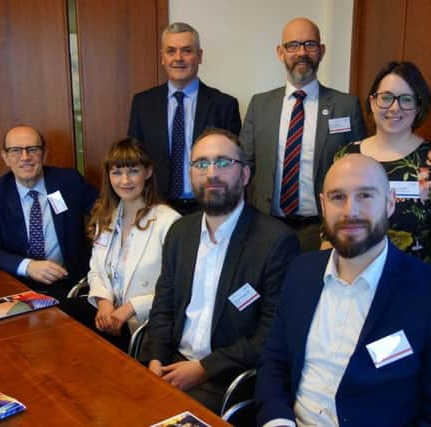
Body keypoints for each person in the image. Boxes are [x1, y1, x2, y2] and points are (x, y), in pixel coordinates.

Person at [256, 154, 431, 427]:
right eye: (338, 197)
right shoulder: (301, 271)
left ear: (390, 202)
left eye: (365, 196)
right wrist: (278, 422)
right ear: (323, 206)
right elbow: (274, 362)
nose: (351, 211)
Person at [140, 128, 300, 413]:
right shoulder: (179, 232)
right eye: (201, 163)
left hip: (224, 379)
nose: (211, 173)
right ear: (191, 174)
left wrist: (203, 369)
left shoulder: (276, 241)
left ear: (245, 175)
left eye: (224, 163)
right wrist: (154, 360)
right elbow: (162, 307)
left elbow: (270, 335)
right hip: (169, 365)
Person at [241, 17, 366, 252]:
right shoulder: (259, 105)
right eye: (293, 45)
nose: (302, 52)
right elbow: (243, 167)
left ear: (322, 51)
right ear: (280, 52)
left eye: (310, 44)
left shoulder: (345, 106)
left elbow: (358, 170)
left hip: (322, 229)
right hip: (267, 226)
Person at [335, 61, 431, 276]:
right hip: (352, 280)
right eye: (386, 98)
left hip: (412, 285)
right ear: (373, 102)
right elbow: (331, 224)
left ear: (419, 106)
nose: (395, 108)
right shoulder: (347, 156)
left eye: (406, 99)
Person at [0, 126, 98, 301]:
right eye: (15, 151)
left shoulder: (69, 181)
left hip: (72, 287)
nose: (25, 157)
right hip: (20, 289)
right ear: (5, 157)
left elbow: (105, 212)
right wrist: (27, 266)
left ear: (43, 154)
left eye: (32, 149)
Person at [128, 22, 241, 215]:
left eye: (186, 51)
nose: (178, 58)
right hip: (157, 207)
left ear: (200, 56)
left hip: (208, 207)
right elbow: (134, 159)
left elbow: (234, 164)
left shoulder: (224, 105)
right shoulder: (142, 104)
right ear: (162, 57)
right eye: (171, 51)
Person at [82, 138, 180, 351]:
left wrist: (129, 309)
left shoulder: (169, 221)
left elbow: (177, 287)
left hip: (145, 325)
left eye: (133, 171)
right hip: (108, 316)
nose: (124, 180)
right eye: (116, 172)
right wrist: (104, 304)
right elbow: (95, 271)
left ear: (148, 172)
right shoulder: (105, 217)